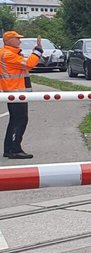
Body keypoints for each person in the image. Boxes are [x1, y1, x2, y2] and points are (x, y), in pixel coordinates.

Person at [1, 30, 43, 159]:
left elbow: (27, 66)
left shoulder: (10, 53)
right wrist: (38, 51)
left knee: (15, 120)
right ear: (8, 41)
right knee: (20, 120)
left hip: (14, 92)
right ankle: (14, 149)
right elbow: (29, 63)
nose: (20, 41)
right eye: (17, 38)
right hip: (15, 92)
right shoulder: (8, 54)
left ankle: (9, 148)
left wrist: (34, 54)